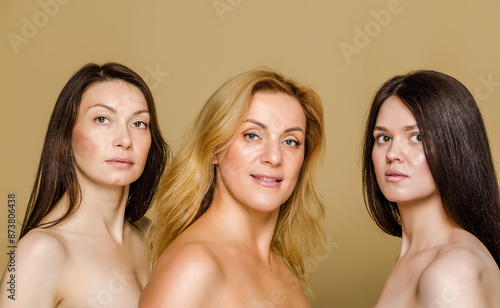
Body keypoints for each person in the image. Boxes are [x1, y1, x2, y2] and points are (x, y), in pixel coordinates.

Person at [139, 68, 325, 307]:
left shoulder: (281, 267)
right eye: (252, 135)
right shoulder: (193, 264)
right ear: (215, 149)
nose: (274, 157)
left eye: (290, 141)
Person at [0, 62, 170, 307]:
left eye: (139, 123)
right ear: (66, 135)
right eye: (102, 119)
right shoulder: (41, 252)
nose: (124, 140)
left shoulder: (150, 236)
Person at [362, 70, 500, 307]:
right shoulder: (416, 258)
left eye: (417, 137)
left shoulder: (451, 272)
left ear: (456, 148)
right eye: (383, 138)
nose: (393, 154)